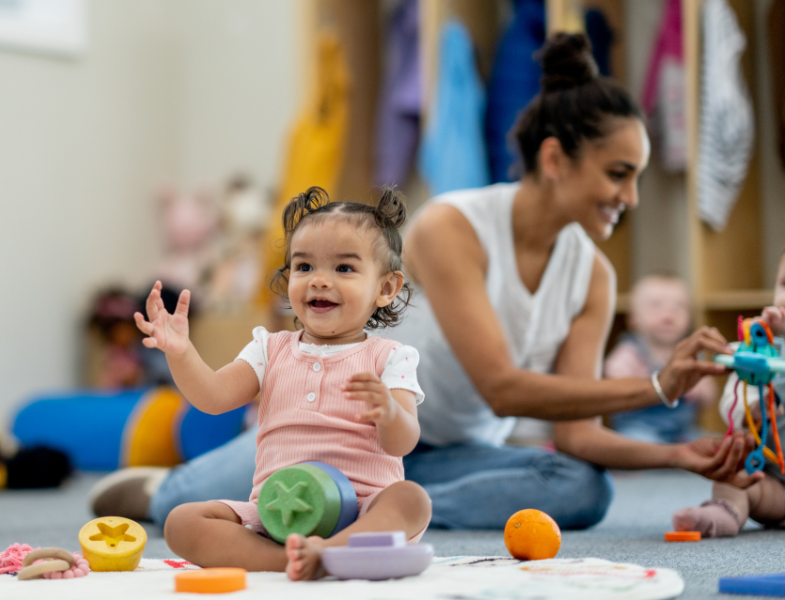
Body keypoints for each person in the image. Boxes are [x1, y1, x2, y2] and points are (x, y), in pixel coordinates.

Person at [89, 33, 754, 532]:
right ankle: (171, 490)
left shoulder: (594, 277)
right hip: (335, 430)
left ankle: (373, 512)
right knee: (184, 507)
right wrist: (660, 385)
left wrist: (678, 456)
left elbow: (577, 435)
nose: (631, 196)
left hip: (435, 448)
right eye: (619, 173)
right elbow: (501, 384)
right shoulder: (451, 228)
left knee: (582, 489)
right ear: (554, 159)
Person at [136, 187, 430, 580]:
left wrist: (389, 412)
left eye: (344, 268)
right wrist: (181, 352)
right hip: (278, 515)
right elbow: (213, 397)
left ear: (386, 288)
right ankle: (291, 559)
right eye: (305, 267)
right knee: (182, 521)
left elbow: (403, 442)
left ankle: (332, 551)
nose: (319, 281)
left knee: (412, 500)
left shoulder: (390, 356)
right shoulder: (269, 348)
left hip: (364, 508)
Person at [672, 251, 785, 537]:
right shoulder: (762, 354)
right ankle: (722, 511)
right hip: (775, 485)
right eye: (784, 284)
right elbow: (732, 411)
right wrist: (756, 406)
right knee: (735, 477)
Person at [605, 274, 717, 443]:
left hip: (681, 431)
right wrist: (636, 378)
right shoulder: (631, 351)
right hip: (638, 428)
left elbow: (709, 395)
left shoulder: (690, 353)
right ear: (633, 319)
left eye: (679, 307)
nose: (668, 314)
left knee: (712, 443)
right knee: (634, 443)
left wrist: (699, 389)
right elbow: (611, 376)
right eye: (656, 306)